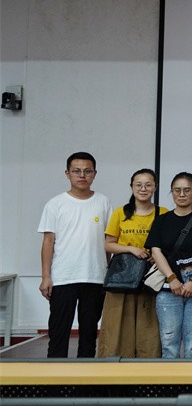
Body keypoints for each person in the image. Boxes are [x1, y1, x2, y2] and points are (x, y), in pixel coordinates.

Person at [38, 152, 112, 358]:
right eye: (76, 171)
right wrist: (46, 277)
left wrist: (107, 273)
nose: (82, 175)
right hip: (63, 277)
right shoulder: (55, 204)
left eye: (87, 171)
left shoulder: (103, 202)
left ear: (95, 174)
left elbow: (108, 242)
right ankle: (55, 377)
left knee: (89, 334)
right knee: (58, 332)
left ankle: (86, 377)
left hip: (95, 277)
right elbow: (48, 242)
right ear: (67, 173)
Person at [98, 168, 168, 358]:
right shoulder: (120, 212)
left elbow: (169, 245)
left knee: (149, 324)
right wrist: (131, 249)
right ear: (132, 187)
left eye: (148, 185)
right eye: (138, 185)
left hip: (150, 278)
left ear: (155, 187)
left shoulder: (163, 213)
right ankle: (113, 365)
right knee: (117, 324)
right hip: (123, 277)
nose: (143, 189)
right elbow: (108, 245)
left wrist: (157, 254)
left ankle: (148, 366)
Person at [145, 172, 192, 359]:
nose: (182, 194)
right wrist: (172, 278)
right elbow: (156, 251)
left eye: (187, 190)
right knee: (169, 340)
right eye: (177, 190)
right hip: (168, 284)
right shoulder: (162, 220)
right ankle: (170, 378)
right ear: (171, 192)